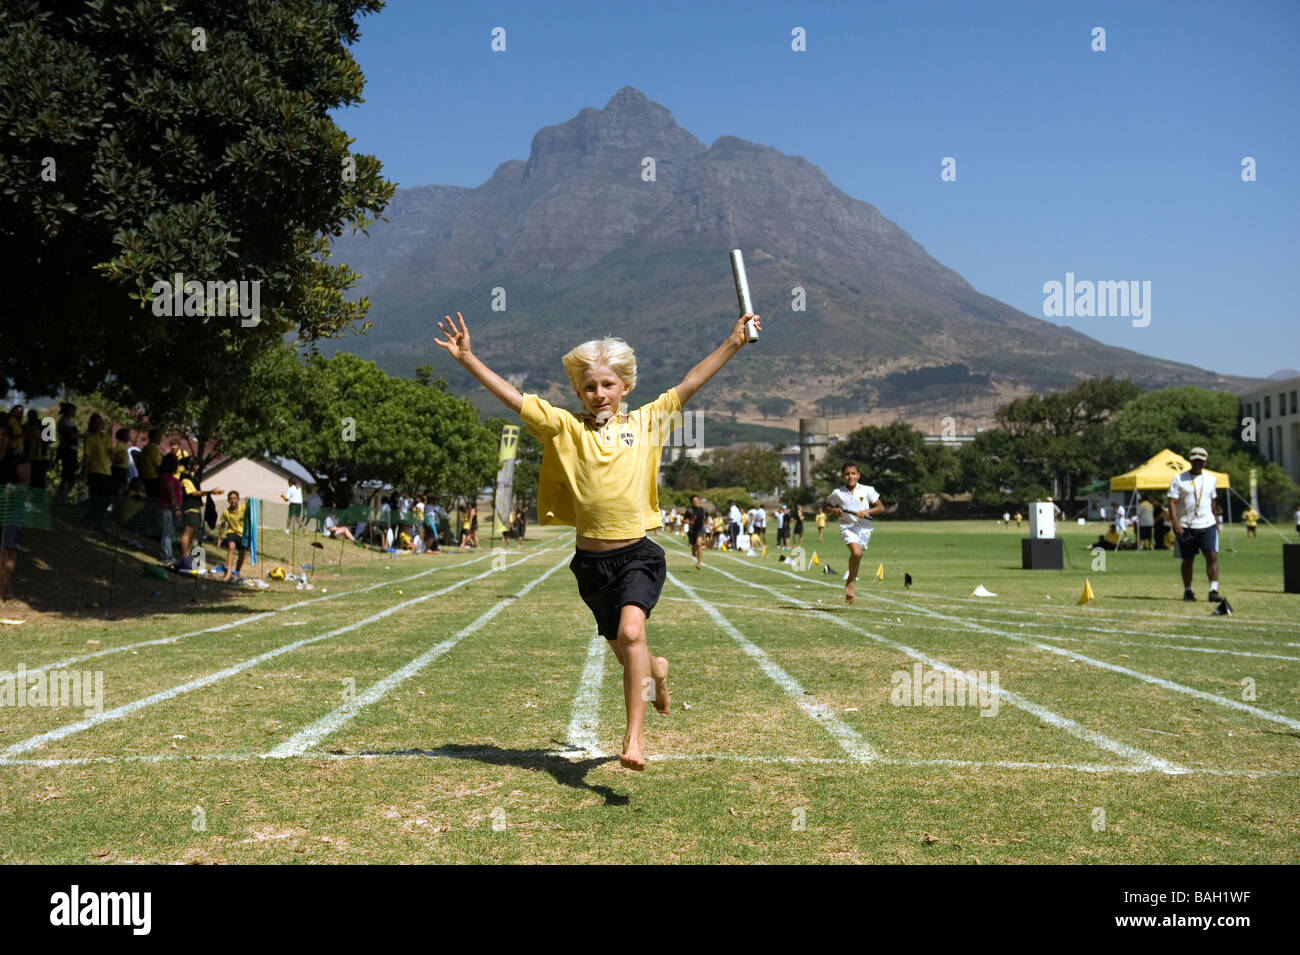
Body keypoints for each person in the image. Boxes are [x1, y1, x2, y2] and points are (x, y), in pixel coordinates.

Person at [435, 306, 760, 771]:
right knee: (631, 654)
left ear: (625, 387)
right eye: (589, 386)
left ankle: (634, 740)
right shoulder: (564, 428)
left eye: (608, 385)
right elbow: (514, 400)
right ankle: (657, 671)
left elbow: (690, 384)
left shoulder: (647, 423)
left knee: (632, 633)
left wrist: (733, 341)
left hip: (636, 556)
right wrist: (468, 359)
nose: (598, 393)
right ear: (578, 391)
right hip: (590, 567)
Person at [824, 461, 885, 605]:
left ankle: (851, 581)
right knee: (856, 553)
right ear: (842, 476)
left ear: (858, 475)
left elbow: (880, 507)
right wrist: (834, 511)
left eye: (853, 474)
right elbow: (826, 506)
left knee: (858, 556)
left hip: (864, 529)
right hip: (848, 527)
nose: (850, 477)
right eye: (847, 474)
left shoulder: (867, 490)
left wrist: (866, 511)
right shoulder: (838, 493)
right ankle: (850, 583)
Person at [1168, 447, 1223, 603]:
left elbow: (1212, 501)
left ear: (1205, 462)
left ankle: (1213, 590)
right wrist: (1175, 522)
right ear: (1190, 461)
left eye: (1201, 460)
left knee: (1212, 556)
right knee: (1188, 559)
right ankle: (1188, 591)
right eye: (1195, 460)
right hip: (1187, 525)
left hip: (1207, 523)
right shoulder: (1179, 478)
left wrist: (1216, 520)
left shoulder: (1211, 479)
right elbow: (1172, 502)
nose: (1197, 463)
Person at [0, 424, 31, 602]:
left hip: (12, 508)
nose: (0, 438)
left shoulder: (17, 456)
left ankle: (4, 588)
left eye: (4, 434)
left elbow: (25, 481)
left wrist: (12, 488)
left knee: (9, 549)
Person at [178, 454, 221, 561]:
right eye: (195, 464)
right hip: (189, 508)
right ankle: (184, 556)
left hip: (196, 508)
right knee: (188, 532)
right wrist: (210, 492)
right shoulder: (185, 478)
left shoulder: (192, 478)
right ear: (190, 465)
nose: (197, 467)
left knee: (193, 532)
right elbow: (192, 493)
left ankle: (187, 556)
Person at [82, 413, 114, 529]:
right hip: (94, 471)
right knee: (97, 497)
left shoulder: (107, 438)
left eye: (99, 422)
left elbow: (111, 455)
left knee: (108, 497)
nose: (97, 424)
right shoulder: (90, 438)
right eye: (95, 422)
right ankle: (97, 523)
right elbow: (86, 457)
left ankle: (91, 520)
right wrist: (85, 474)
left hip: (107, 471)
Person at [215, 490, 249, 581]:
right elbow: (222, 526)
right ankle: (229, 573)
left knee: (242, 555)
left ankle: (237, 572)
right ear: (228, 500)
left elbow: (252, 516)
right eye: (230, 499)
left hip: (243, 534)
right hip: (232, 533)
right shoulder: (226, 512)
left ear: (238, 499)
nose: (233, 500)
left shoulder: (244, 508)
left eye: (234, 498)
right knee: (231, 548)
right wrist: (219, 539)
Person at [156, 452, 182, 563]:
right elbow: (171, 494)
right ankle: (166, 556)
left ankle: (168, 555)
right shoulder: (168, 478)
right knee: (166, 533)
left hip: (169, 509)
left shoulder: (168, 477)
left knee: (169, 533)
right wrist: (176, 508)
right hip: (168, 509)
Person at [54, 402, 79, 504]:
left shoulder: (69, 421)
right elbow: (71, 435)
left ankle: (64, 496)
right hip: (68, 452)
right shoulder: (64, 422)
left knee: (71, 475)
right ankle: (62, 498)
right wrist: (82, 436)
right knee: (67, 475)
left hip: (72, 451)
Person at [22, 410, 51, 493]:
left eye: (34, 416)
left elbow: (50, 440)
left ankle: (39, 501)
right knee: (30, 482)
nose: (32, 418)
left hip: (41, 458)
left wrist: (40, 436)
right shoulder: (25, 426)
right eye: (30, 416)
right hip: (28, 458)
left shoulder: (44, 426)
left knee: (40, 482)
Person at [110, 428, 131, 499]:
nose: (128, 437)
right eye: (127, 435)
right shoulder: (120, 444)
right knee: (119, 488)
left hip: (123, 469)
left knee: (122, 487)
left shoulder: (123, 445)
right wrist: (115, 460)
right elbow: (112, 452)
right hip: (118, 470)